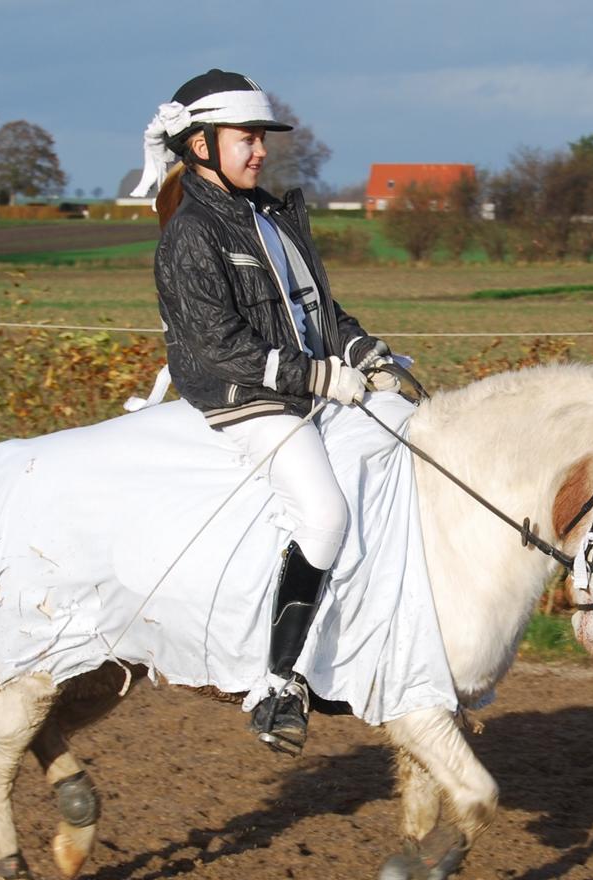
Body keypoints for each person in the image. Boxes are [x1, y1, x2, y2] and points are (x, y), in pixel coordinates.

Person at [130, 69, 398, 756]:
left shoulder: (271, 218)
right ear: (198, 144)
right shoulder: (189, 233)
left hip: (306, 387)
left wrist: (367, 353)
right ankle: (277, 682)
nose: (259, 152)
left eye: (260, 139)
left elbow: (319, 312)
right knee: (326, 513)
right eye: (246, 139)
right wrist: (317, 374)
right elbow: (217, 344)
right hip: (243, 399)